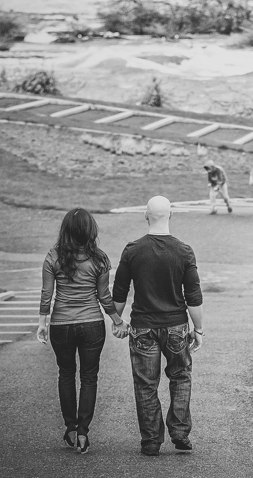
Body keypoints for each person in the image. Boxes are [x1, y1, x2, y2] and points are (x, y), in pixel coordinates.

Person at [112, 196, 204, 457]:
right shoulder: (184, 251)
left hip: (142, 328)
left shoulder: (132, 250)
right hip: (176, 326)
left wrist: (117, 321)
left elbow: (119, 292)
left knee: (145, 384)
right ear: (171, 215)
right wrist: (198, 330)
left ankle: (151, 441)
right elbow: (194, 296)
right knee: (181, 376)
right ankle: (179, 432)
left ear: (145, 215)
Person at [37, 208, 127, 455]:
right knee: (89, 377)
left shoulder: (53, 257)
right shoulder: (99, 259)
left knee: (66, 374)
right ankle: (84, 432)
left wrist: (42, 323)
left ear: (65, 230)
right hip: (91, 325)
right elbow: (104, 297)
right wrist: (118, 320)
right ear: (90, 231)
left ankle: (70, 428)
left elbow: (47, 294)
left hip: (61, 325)